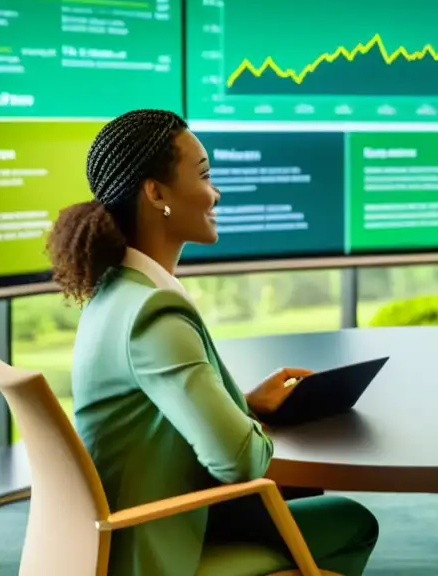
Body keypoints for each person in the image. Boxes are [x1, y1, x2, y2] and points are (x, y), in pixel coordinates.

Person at [47, 109, 378, 576]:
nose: (215, 192)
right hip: (159, 553)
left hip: (117, 537)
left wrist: (242, 402)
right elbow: (239, 461)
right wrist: (246, 421)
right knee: (351, 522)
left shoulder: (115, 293)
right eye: (204, 175)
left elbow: (150, 414)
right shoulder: (153, 313)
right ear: (156, 193)